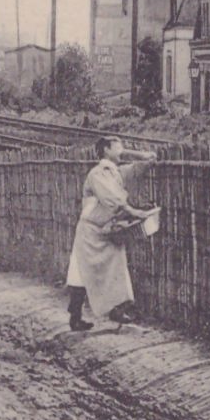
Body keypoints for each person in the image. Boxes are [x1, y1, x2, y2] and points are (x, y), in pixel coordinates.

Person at [66, 136, 159, 331]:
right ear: (106, 149)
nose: (122, 149)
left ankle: (115, 310)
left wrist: (138, 154)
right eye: (118, 146)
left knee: (116, 269)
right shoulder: (98, 173)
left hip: (107, 229)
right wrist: (135, 212)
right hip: (91, 229)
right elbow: (112, 199)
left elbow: (142, 165)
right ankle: (75, 317)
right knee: (81, 273)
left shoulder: (117, 172)